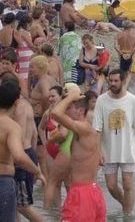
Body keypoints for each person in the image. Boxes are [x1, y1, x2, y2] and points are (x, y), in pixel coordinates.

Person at [92, 69, 135, 216]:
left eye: (116, 81)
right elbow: (97, 129)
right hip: (108, 151)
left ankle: (127, 215)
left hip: (127, 150)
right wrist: (97, 151)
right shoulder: (101, 100)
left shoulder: (132, 100)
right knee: (111, 186)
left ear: (123, 81)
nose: (112, 83)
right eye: (110, 81)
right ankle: (127, 206)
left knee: (127, 184)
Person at [50, 84, 106, 222]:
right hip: (93, 192)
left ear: (80, 110)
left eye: (69, 108)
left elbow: (55, 113)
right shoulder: (86, 130)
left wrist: (71, 97)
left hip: (82, 195)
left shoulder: (83, 128)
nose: (66, 111)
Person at [0, 79, 45, 221]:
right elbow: (19, 156)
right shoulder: (11, 127)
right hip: (3, 181)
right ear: (16, 102)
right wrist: (37, 171)